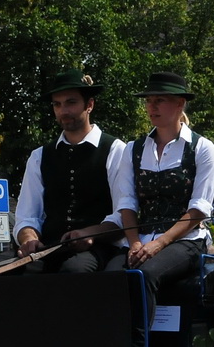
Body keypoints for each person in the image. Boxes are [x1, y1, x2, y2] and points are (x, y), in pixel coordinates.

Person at [103, 71, 214, 300]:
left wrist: (160, 243)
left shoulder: (202, 148)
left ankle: (139, 338)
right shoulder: (133, 149)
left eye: (159, 100)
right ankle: (111, 336)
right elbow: (126, 202)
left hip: (186, 240)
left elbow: (198, 209)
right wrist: (135, 242)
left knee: (145, 274)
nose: (151, 107)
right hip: (141, 238)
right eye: (148, 101)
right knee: (111, 277)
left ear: (180, 103)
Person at [13, 71, 135, 273]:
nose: (63, 110)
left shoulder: (115, 150)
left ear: (89, 105)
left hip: (100, 248)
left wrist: (90, 233)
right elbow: (27, 216)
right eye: (57, 104)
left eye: (70, 102)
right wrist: (29, 240)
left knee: (74, 271)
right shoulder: (39, 156)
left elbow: (123, 215)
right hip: (49, 248)